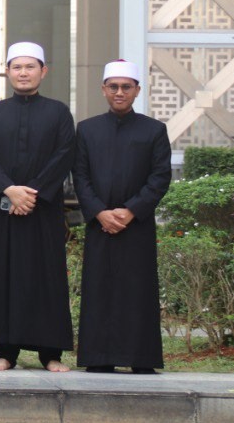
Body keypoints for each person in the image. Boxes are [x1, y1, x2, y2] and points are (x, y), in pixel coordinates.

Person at [0, 41, 76, 372]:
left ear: (43, 71)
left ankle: (51, 353)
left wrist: (32, 193)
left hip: (42, 210)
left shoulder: (59, 112)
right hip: (4, 210)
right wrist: (9, 190)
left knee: (46, 278)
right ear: (7, 72)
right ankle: (6, 351)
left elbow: (64, 154)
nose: (23, 73)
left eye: (30, 67)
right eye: (16, 67)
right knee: (3, 278)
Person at [73, 59, 172, 374]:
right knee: (99, 290)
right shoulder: (87, 129)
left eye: (126, 87)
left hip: (136, 226)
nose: (119, 92)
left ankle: (140, 358)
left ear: (137, 90)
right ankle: (98, 357)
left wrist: (131, 211)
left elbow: (160, 177)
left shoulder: (154, 130)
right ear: (103, 89)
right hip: (100, 225)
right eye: (113, 87)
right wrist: (99, 212)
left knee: (137, 290)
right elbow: (80, 177)